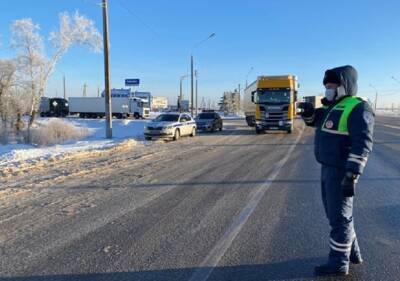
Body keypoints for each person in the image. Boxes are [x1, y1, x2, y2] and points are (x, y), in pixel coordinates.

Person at [299, 65, 374, 276]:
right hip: (327, 168)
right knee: (337, 214)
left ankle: (339, 263)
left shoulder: (358, 107)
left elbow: (363, 144)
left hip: (342, 171)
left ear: (345, 85)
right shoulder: (332, 107)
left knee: (339, 217)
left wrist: (351, 175)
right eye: (327, 86)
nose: (328, 90)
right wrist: (307, 114)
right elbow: (316, 121)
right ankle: (353, 253)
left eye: (332, 86)